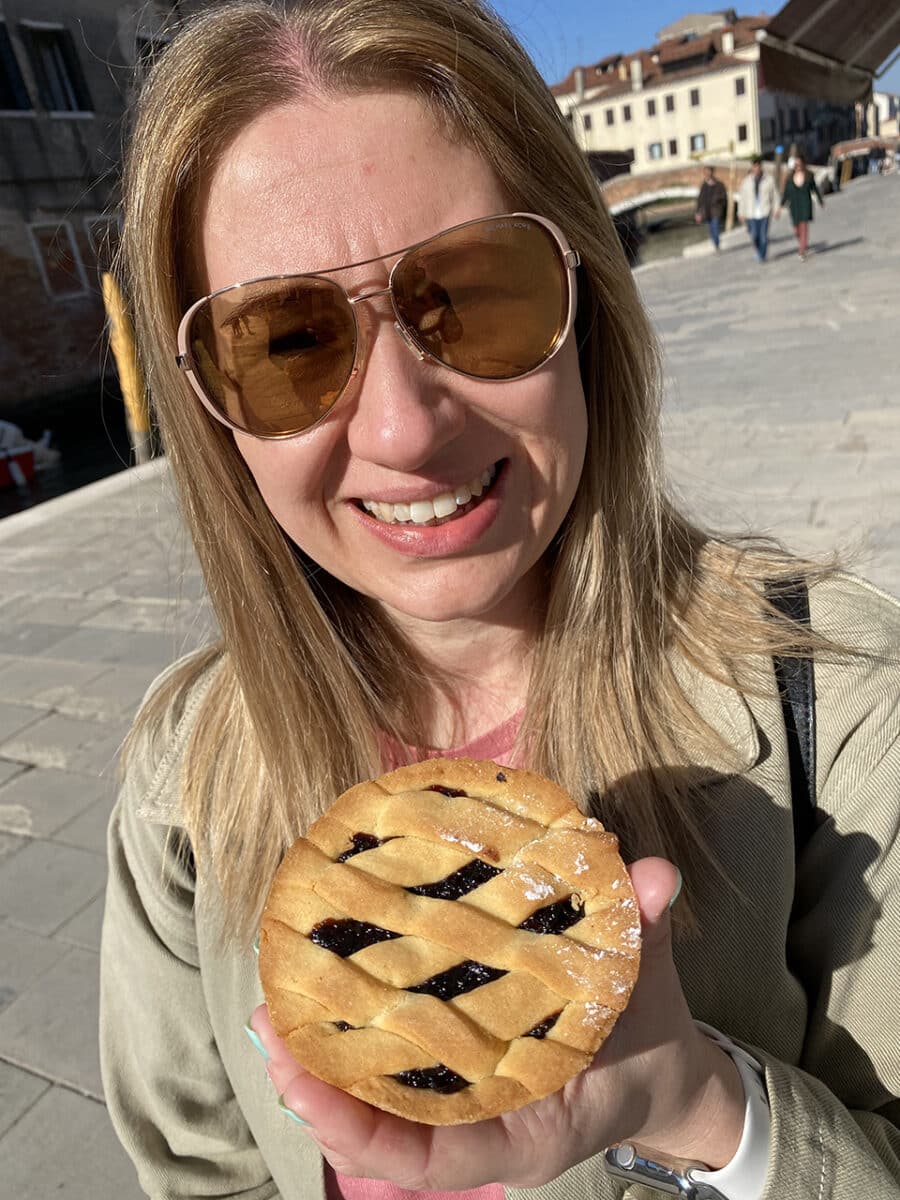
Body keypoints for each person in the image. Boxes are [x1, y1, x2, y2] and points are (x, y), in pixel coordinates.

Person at [99, 2, 900, 1199]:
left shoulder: (839, 705)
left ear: (587, 298)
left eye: (473, 295)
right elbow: (203, 1173)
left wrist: (700, 1103)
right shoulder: (182, 783)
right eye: (288, 341)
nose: (403, 428)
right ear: (208, 411)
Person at [777, 153, 823, 261]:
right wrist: (780, 206)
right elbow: (786, 194)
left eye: (799, 164)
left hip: (805, 205)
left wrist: (820, 201)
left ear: (803, 164)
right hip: (794, 207)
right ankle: (803, 244)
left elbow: (814, 189)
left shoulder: (808, 176)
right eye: (795, 165)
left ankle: (802, 250)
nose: (797, 167)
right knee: (797, 230)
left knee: (804, 228)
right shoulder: (789, 179)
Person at [736, 157, 777, 263]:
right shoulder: (746, 182)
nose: (757, 168)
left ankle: (762, 256)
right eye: (754, 166)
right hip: (751, 213)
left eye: (758, 166)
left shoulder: (769, 180)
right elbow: (742, 198)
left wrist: (776, 208)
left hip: (764, 211)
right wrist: (741, 213)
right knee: (754, 235)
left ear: (761, 167)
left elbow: (775, 195)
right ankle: (759, 251)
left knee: (763, 236)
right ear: (752, 168)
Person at [694, 165, 728, 252]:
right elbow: (700, 200)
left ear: (712, 172)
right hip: (707, 213)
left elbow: (724, 197)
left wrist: (719, 203)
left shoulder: (719, 184)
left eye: (708, 171)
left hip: (716, 211)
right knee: (711, 231)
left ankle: (717, 246)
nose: (707, 174)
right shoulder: (704, 186)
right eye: (705, 172)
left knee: (715, 228)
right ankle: (716, 244)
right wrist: (698, 212)